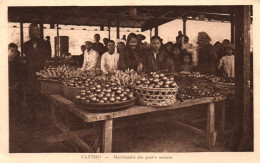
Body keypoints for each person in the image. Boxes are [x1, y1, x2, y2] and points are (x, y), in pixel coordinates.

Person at [22, 23, 49, 124]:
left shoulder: (44, 43)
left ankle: (42, 119)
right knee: (30, 96)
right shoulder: (26, 45)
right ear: (30, 32)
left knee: (41, 95)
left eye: (37, 30)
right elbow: (27, 59)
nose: (36, 32)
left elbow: (46, 58)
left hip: (41, 73)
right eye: (34, 30)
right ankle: (31, 118)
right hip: (30, 73)